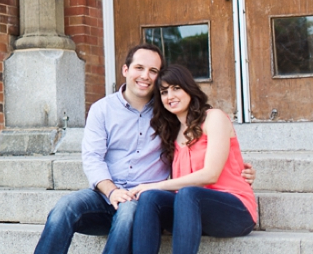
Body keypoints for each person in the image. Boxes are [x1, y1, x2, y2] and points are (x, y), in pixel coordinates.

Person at [32, 44, 254, 254]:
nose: (145, 76)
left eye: (153, 71)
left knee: (133, 210)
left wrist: (236, 168)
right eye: (139, 68)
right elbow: (92, 158)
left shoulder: (169, 116)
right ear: (126, 70)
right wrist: (111, 191)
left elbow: (210, 165)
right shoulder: (104, 109)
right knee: (64, 207)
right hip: (107, 193)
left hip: (146, 197)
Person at [130, 64, 257, 254]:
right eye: (164, 92)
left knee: (188, 193)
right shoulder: (172, 134)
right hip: (190, 213)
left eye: (176, 88)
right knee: (150, 198)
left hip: (235, 211)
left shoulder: (214, 118)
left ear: (189, 88)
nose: (170, 96)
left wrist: (153, 184)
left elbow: (211, 175)